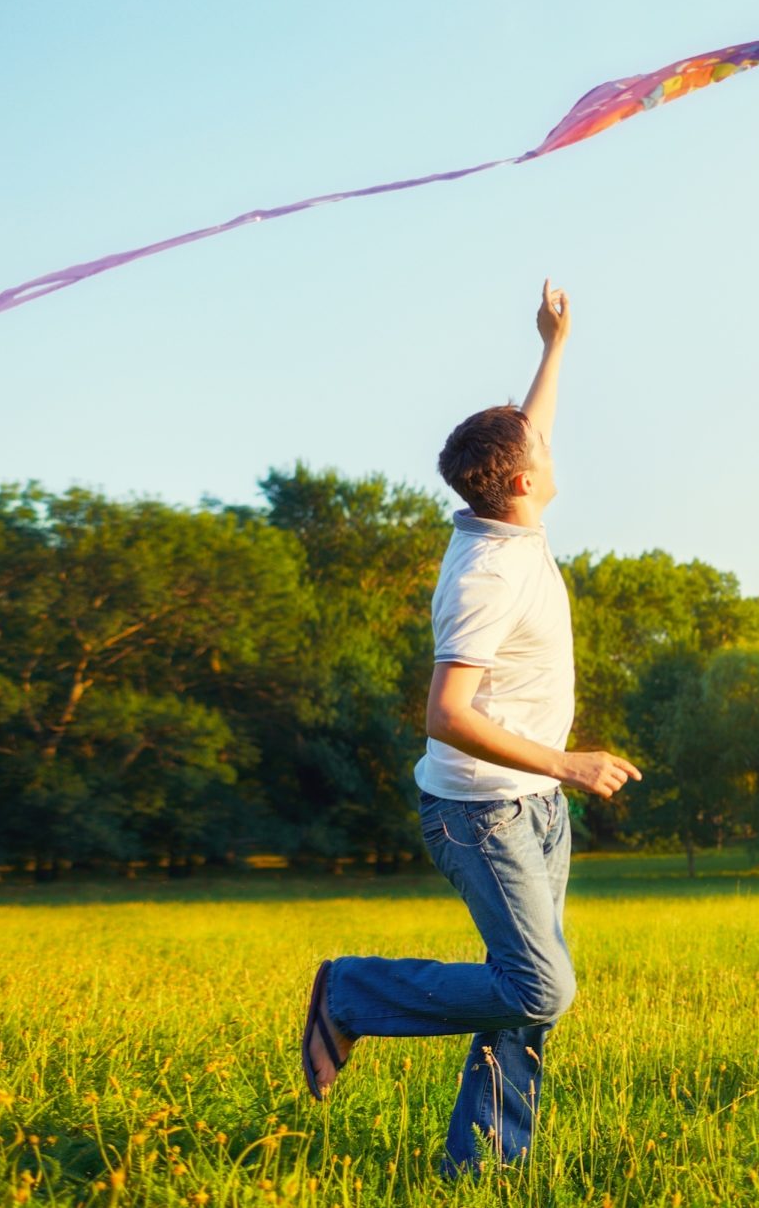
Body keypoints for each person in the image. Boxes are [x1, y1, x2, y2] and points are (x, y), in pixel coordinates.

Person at [299, 280, 641, 1173]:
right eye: (539, 449)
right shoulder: (486, 573)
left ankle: (481, 1167)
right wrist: (568, 763)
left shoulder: (514, 517)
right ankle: (352, 990)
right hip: (482, 810)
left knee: (522, 997)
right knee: (541, 986)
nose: (549, 445)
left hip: (530, 806)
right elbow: (446, 715)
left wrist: (554, 346)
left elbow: (528, 432)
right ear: (524, 481)